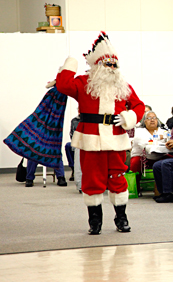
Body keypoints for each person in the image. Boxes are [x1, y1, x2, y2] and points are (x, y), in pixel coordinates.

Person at [56, 32, 145, 235]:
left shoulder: (123, 86)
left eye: (115, 65)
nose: (112, 69)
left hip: (115, 138)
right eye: (107, 64)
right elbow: (62, 85)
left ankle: (121, 218)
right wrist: (71, 63)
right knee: (92, 179)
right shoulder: (83, 83)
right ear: (96, 65)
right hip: (91, 139)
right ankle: (94, 221)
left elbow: (139, 105)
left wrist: (128, 117)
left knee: (117, 178)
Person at [130, 111, 167, 176]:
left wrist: (157, 139)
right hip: (142, 156)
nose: (152, 120)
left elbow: (168, 141)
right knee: (135, 162)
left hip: (160, 156)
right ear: (144, 121)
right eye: (149, 118)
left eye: (154, 118)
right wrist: (159, 138)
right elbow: (144, 144)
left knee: (171, 160)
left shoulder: (163, 131)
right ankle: (136, 184)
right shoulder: (139, 131)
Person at [65, 112, 80, 181]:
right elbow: (71, 133)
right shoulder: (74, 120)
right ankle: (74, 168)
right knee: (68, 145)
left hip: (87, 141)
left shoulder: (89, 119)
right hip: (77, 141)